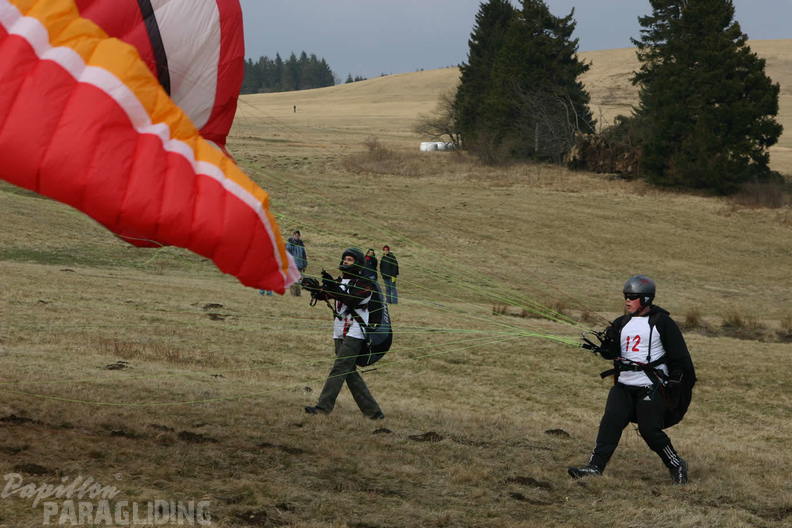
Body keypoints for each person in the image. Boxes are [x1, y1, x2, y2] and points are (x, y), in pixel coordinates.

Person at [569, 275, 696, 484]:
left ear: (645, 299)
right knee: (610, 422)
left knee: (649, 430)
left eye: (632, 297)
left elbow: (680, 358)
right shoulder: (621, 323)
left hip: (651, 386)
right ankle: (595, 467)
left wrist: (676, 383)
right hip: (624, 385)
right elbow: (612, 353)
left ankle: (676, 464)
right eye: (625, 296)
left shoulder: (662, 323)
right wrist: (606, 348)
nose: (627, 300)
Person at [302, 248, 384, 419]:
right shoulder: (341, 281)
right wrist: (315, 289)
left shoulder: (365, 284)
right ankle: (374, 413)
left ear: (358, 264)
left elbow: (350, 299)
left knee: (340, 367)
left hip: (356, 331)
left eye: (350, 259)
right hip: (339, 330)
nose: (346, 261)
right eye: (345, 259)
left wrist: (332, 287)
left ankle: (323, 407)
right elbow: (329, 294)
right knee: (349, 371)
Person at [286, 230, 308, 296]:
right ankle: (293, 293)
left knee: (299, 280)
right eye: (295, 235)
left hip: (300, 265)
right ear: (293, 235)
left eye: (298, 236)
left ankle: (298, 293)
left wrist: (305, 265)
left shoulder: (301, 244)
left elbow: (304, 256)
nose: (297, 237)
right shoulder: (290, 244)